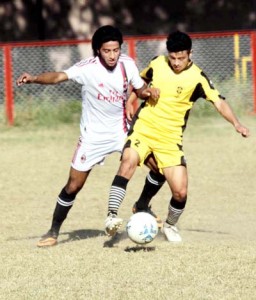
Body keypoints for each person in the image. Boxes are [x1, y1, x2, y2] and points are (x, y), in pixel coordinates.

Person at [16, 25, 161, 247]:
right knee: (73, 186)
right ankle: (53, 231)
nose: (112, 55)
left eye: (115, 50)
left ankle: (141, 205)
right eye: (107, 51)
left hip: (121, 132)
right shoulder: (87, 68)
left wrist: (147, 92)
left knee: (159, 167)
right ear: (97, 51)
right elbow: (58, 77)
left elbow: (139, 89)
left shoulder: (127, 63)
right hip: (92, 137)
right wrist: (34, 78)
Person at [105, 30, 250, 242]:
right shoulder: (157, 63)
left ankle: (169, 225)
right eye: (172, 57)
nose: (175, 62)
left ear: (190, 54)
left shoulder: (197, 77)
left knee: (180, 192)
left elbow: (218, 101)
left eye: (181, 58)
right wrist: (130, 100)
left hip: (170, 139)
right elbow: (140, 83)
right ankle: (111, 217)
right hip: (144, 128)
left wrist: (236, 123)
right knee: (128, 162)